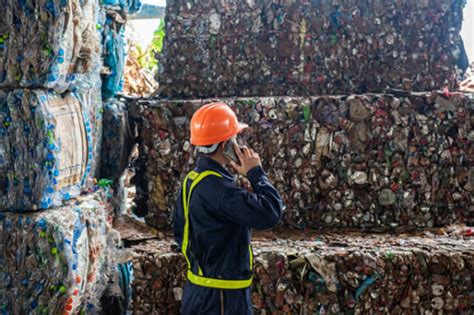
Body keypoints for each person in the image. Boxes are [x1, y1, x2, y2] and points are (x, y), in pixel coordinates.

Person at [173, 102, 284, 314]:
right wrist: (255, 173)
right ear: (224, 146)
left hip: (199, 291)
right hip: (222, 300)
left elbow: (180, 232)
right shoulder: (221, 191)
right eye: (234, 139)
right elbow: (270, 213)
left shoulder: (194, 180)